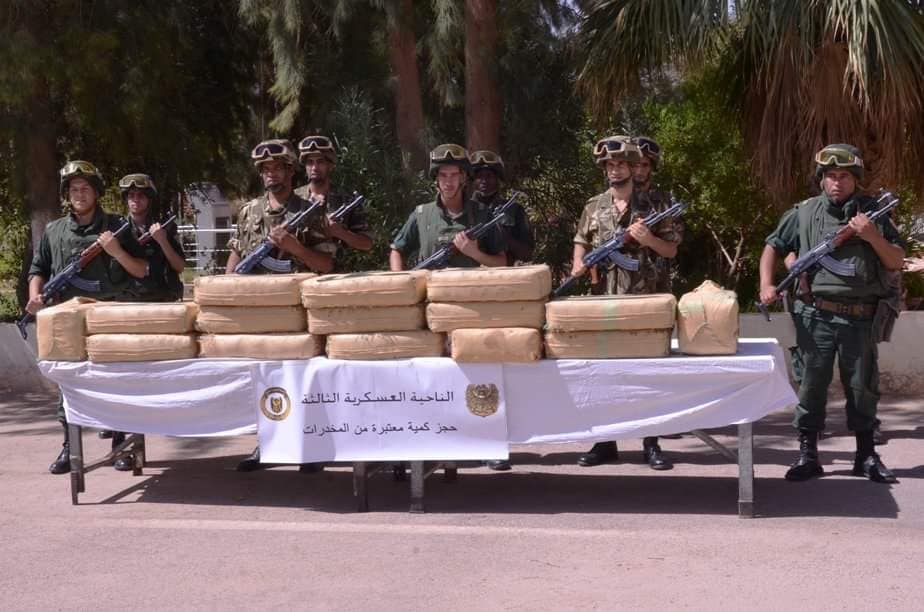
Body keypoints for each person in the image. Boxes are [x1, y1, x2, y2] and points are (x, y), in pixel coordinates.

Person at [759, 144, 904, 483]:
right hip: (815, 315)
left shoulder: (873, 213)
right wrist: (767, 284)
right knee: (811, 385)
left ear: (856, 180)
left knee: (862, 387)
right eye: (831, 176)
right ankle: (808, 455)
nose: (837, 183)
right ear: (821, 179)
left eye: (844, 176)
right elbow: (773, 246)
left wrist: (871, 236)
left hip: (861, 316)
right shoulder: (804, 212)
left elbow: (896, 260)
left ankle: (866, 456)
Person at [26, 161, 148, 474]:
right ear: (66, 194)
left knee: (116, 381)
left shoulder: (117, 225)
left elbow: (141, 270)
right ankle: (70, 446)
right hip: (67, 320)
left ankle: (122, 445)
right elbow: (38, 269)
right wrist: (35, 296)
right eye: (73, 189)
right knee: (68, 383)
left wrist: (116, 251)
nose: (79, 194)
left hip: (110, 316)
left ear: (96, 192)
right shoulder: (54, 230)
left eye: (85, 188)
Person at [572, 136, 682, 470]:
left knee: (649, 374)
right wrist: (578, 263)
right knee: (604, 374)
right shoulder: (594, 205)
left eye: (621, 164)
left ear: (633, 167)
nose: (615, 170)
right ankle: (605, 442)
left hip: (646, 299)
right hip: (604, 300)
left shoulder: (655, 205)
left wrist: (649, 240)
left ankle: (651, 442)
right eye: (610, 165)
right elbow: (580, 240)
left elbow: (671, 250)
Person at [229, 139, 335, 472]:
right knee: (262, 380)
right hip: (257, 312)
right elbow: (236, 252)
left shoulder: (309, 211)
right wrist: (228, 284)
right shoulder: (249, 211)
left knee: (303, 381)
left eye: (277, 168)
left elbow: (326, 264)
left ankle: (310, 447)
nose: (271, 174)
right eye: (265, 169)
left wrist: (295, 248)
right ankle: (266, 444)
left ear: (291, 171)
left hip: (298, 315)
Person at [389, 143, 507, 271]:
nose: (448, 182)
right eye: (443, 175)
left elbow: (502, 262)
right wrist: (400, 279)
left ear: (463, 177)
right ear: (436, 179)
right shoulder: (422, 214)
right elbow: (397, 251)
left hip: (469, 284)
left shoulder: (482, 213)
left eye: (454, 175)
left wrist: (475, 253)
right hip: (430, 284)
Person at [294, 134, 374, 265]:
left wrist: (341, 233)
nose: (314, 167)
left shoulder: (347, 199)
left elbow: (367, 244)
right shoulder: (294, 199)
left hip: (340, 274)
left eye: (320, 162)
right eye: (310, 162)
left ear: (330, 165)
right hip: (300, 273)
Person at [469, 150, 534, 265]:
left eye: (489, 176)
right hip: (470, 273)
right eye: (479, 176)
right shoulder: (463, 210)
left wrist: (503, 235)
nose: (484, 181)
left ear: (497, 178)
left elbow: (527, 254)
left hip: (505, 272)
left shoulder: (514, 210)